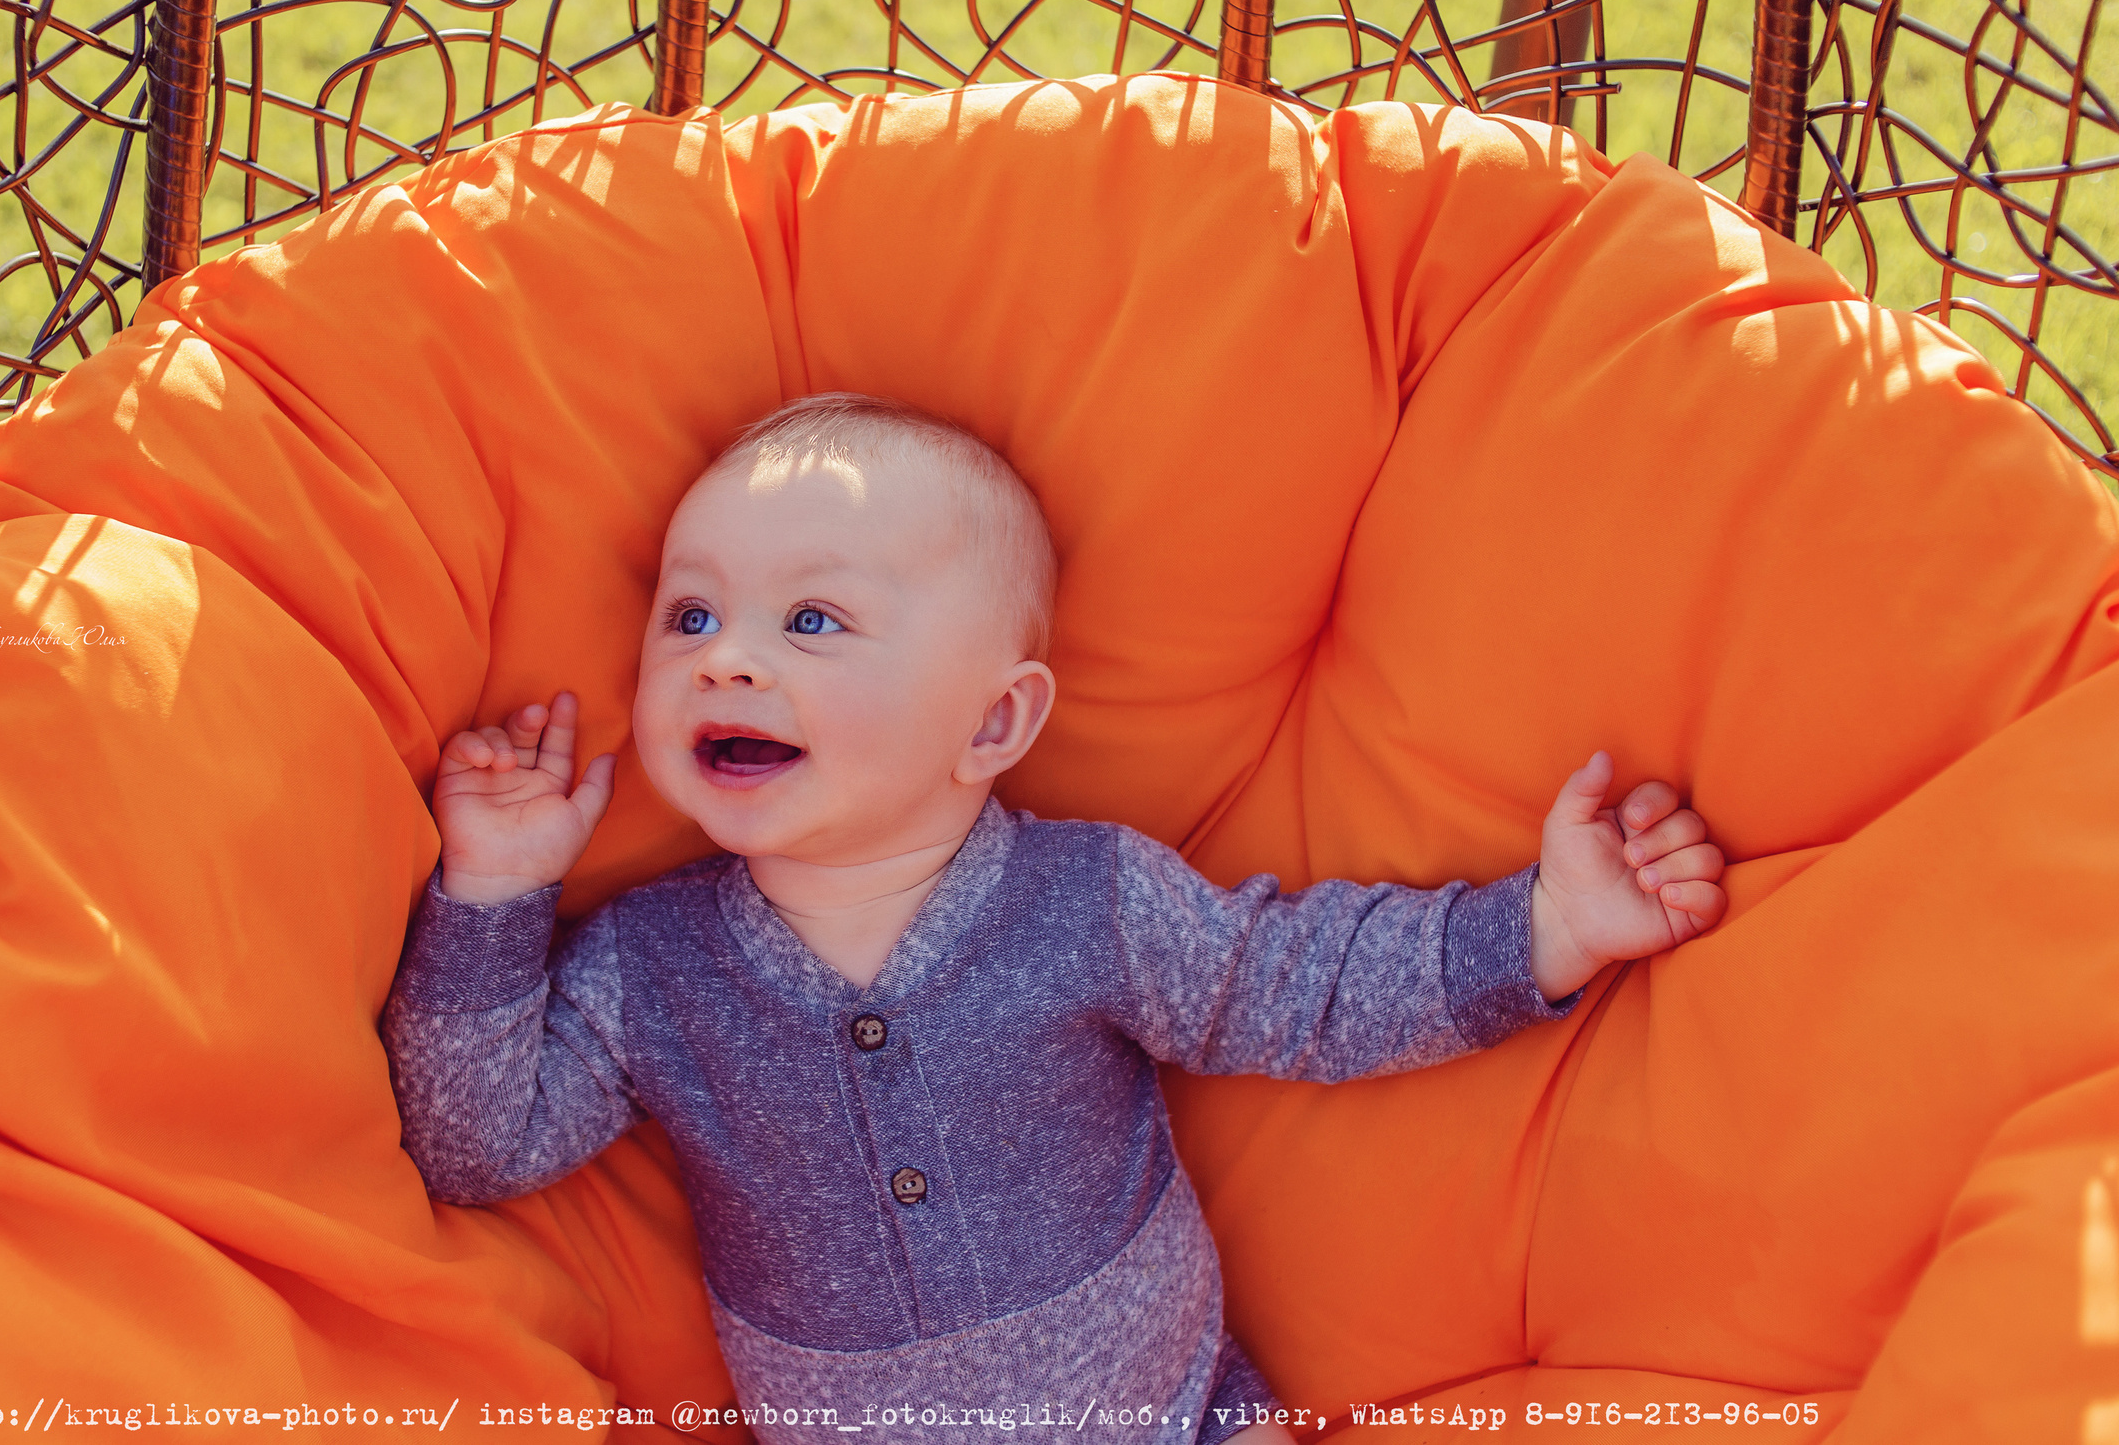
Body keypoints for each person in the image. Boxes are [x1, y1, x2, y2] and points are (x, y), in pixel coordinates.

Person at [381, 393, 1726, 1444]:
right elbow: (472, 1146)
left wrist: (1547, 924)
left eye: (811, 619)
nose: (725, 656)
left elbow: (1302, 985)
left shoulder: (1091, 903)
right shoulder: (650, 968)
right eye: (690, 614)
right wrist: (495, 889)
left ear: (994, 721)